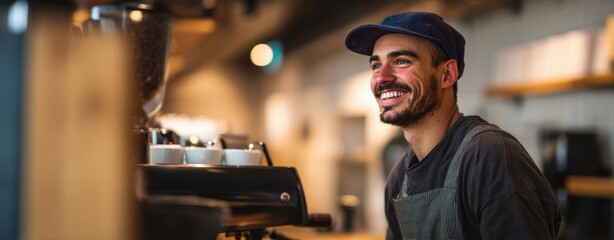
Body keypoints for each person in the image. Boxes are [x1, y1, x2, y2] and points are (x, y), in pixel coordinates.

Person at [345, 12, 561, 239]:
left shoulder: (488, 156)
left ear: (447, 74)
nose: (381, 78)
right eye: (376, 65)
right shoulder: (400, 178)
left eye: (401, 61)